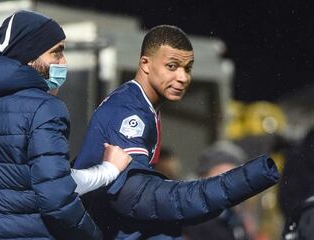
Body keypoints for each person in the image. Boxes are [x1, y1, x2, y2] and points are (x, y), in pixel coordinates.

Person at [74, 25, 280, 239]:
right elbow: (135, 197)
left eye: (187, 68)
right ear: (145, 64)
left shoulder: (143, 106)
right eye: (172, 66)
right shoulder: (129, 112)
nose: (183, 77)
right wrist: (237, 183)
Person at [0, 10, 131, 240]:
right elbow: (57, 196)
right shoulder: (44, 109)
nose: (63, 62)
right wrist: (108, 173)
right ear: (29, 56)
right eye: (56, 53)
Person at [182, 141, 252, 240]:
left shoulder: (235, 221)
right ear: (203, 177)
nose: (229, 186)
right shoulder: (191, 220)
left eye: (235, 179)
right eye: (220, 178)